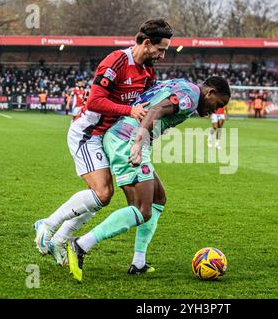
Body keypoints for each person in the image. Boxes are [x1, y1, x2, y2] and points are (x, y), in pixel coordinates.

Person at [34, 19, 173, 266]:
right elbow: (93, 102)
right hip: (88, 132)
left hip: (110, 137)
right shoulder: (116, 61)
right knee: (103, 192)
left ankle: (58, 240)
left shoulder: (148, 71)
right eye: (161, 49)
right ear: (147, 43)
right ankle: (48, 225)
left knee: (103, 196)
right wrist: (129, 110)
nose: (162, 56)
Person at [67, 76, 231, 282]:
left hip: (127, 136)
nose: (215, 110)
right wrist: (138, 142)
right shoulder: (191, 95)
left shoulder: (182, 84)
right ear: (210, 93)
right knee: (142, 210)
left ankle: (138, 263)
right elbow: (156, 110)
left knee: (158, 199)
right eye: (219, 104)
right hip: (129, 139)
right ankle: (81, 245)